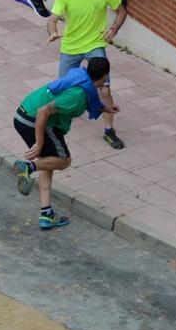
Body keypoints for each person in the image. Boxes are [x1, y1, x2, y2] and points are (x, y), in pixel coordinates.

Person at [12, 57, 116, 230]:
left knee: (49, 161)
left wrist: (106, 108)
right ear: (105, 76)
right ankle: (27, 167)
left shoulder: (80, 77)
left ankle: (46, 215)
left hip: (23, 114)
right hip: (34, 120)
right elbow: (43, 111)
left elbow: (91, 99)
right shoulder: (77, 95)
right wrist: (38, 143)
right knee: (63, 160)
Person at [47, 0, 127, 150]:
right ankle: (56, 120)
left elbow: (121, 11)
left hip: (95, 45)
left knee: (104, 90)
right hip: (70, 47)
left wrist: (113, 29)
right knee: (62, 89)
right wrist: (52, 32)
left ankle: (109, 132)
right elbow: (53, 19)